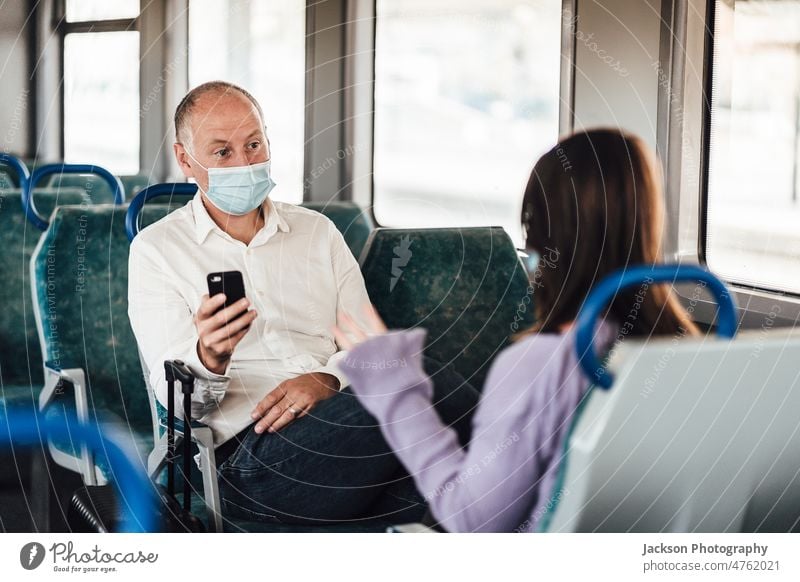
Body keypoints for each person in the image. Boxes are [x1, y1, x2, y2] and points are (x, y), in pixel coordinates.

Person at [128, 80, 478, 525]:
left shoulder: (317, 233)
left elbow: (369, 346)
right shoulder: (156, 250)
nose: (245, 162)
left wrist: (328, 379)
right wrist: (210, 356)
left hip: (343, 429)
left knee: (443, 466)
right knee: (428, 385)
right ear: (185, 160)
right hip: (247, 458)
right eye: (222, 153)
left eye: (254, 144)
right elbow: (178, 408)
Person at [333, 128, 699, 532]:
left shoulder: (542, 364)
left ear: (541, 233)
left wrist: (394, 386)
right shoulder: (692, 353)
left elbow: (471, 520)